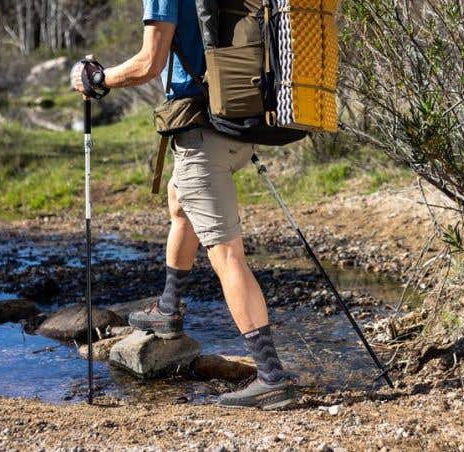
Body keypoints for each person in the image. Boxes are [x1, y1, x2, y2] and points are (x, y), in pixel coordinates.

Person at [71, 0, 297, 410]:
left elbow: (149, 63)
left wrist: (98, 78)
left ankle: (271, 377)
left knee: (227, 254)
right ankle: (169, 310)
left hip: (200, 136)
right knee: (180, 201)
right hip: (234, 122)